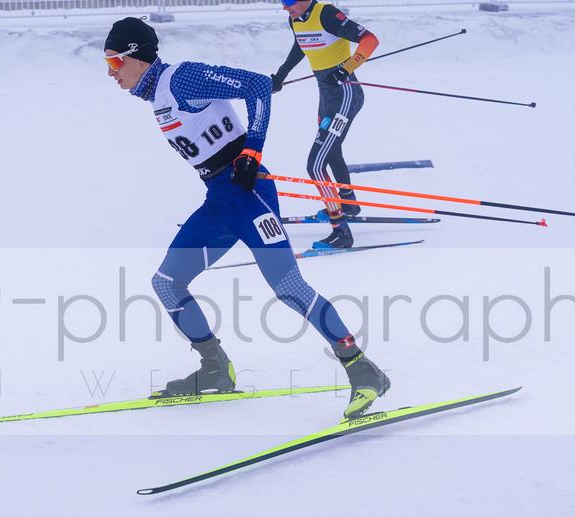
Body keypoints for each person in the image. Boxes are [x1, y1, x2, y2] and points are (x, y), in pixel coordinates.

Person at [104, 17, 389, 419]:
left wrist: (252, 149)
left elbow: (257, 86)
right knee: (167, 284)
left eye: (114, 63)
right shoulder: (157, 96)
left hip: (249, 194)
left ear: (135, 56)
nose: (111, 74)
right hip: (220, 202)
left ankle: (362, 369)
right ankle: (215, 369)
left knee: (288, 286)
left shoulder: (181, 79)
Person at [270, 0, 379, 249]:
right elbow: (301, 45)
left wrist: (346, 68)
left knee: (315, 166)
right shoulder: (295, 19)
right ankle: (348, 204)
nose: (285, 7)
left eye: (289, 2)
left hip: (345, 96)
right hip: (327, 97)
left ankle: (341, 231)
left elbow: (370, 39)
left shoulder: (327, 14)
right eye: (281, 2)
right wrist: (281, 76)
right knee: (331, 153)